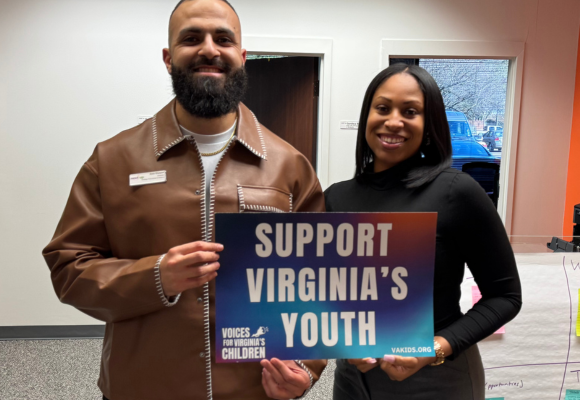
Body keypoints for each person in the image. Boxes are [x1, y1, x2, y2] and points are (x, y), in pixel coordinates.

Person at [42, 0, 326, 399]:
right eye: (191, 38)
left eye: (223, 39)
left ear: (242, 57)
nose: (209, 48)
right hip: (143, 387)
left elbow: (320, 285)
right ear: (168, 57)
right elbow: (69, 269)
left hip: (253, 390)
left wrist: (307, 370)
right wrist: (155, 277)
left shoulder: (289, 165)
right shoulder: (111, 159)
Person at [324, 63, 522, 400]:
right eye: (383, 108)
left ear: (429, 126)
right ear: (367, 116)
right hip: (354, 379)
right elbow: (329, 293)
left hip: (435, 376)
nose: (394, 121)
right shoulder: (335, 197)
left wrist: (436, 348)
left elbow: (505, 297)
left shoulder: (457, 192)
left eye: (411, 111)